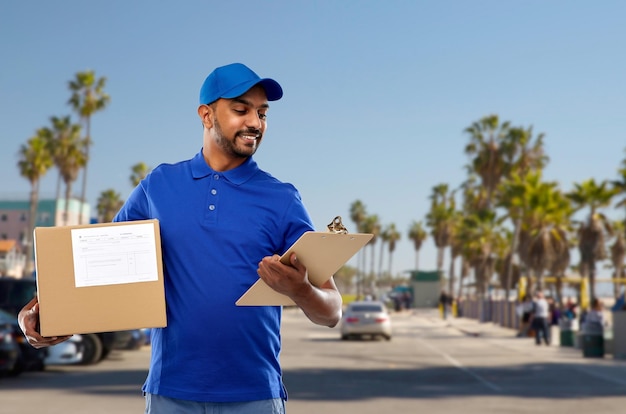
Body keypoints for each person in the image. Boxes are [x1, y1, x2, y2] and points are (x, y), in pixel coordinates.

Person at [17, 63, 342, 414]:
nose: (255, 123)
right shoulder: (158, 186)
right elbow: (98, 269)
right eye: (241, 110)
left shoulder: (282, 198)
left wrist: (301, 291)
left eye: (262, 113)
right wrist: (37, 315)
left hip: (255, 395)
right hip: (170, 394)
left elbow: (332, 311)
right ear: (206, 115)